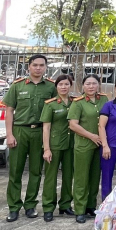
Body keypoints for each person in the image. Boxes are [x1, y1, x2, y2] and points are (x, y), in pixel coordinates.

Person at [3, 54, 57, 222]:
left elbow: (55, 109)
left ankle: (30, 205)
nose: (38, 68)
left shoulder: (50, 87)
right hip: (20, 131)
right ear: (29, 67)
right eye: (35, 65)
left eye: (41, 65)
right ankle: (13, 207)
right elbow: (10, 111)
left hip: (40, 132)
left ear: (45, 67)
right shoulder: (17, 86)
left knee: (36, 171)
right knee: (15, 171)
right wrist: (9, 134)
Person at [68, 74, 108, 224]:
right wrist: (91, 136)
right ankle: (80, 209)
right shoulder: (78, 103)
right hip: (84, 144)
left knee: (94, 177)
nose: (91, 86)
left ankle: (91, 206)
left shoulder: (103, 99)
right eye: (88, 84)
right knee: (81, 178)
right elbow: (73, 125)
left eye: (94, 83)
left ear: (98, 85)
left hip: (99, 145)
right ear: (83, 86)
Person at [39, 74, 74, 222]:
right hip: (54, 145)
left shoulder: (75, 102)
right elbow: (46, 128)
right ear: (56, 87)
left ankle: (65, 204)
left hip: (71, 144)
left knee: (68, 176)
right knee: (50, 177)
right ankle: (48, 207)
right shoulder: (51, 104)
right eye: (61, 85)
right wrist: (46, 149)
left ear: (70, 86)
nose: (64, 87)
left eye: (66, 84)